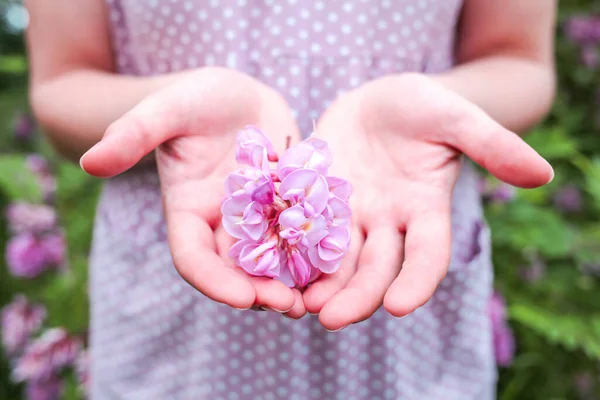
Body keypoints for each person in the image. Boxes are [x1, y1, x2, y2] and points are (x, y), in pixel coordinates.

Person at [25, 0, 556, 399]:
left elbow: (519, 62)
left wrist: (436, 107)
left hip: (400, 245)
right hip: (175, 288)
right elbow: (62, 83)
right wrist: (170, 110)